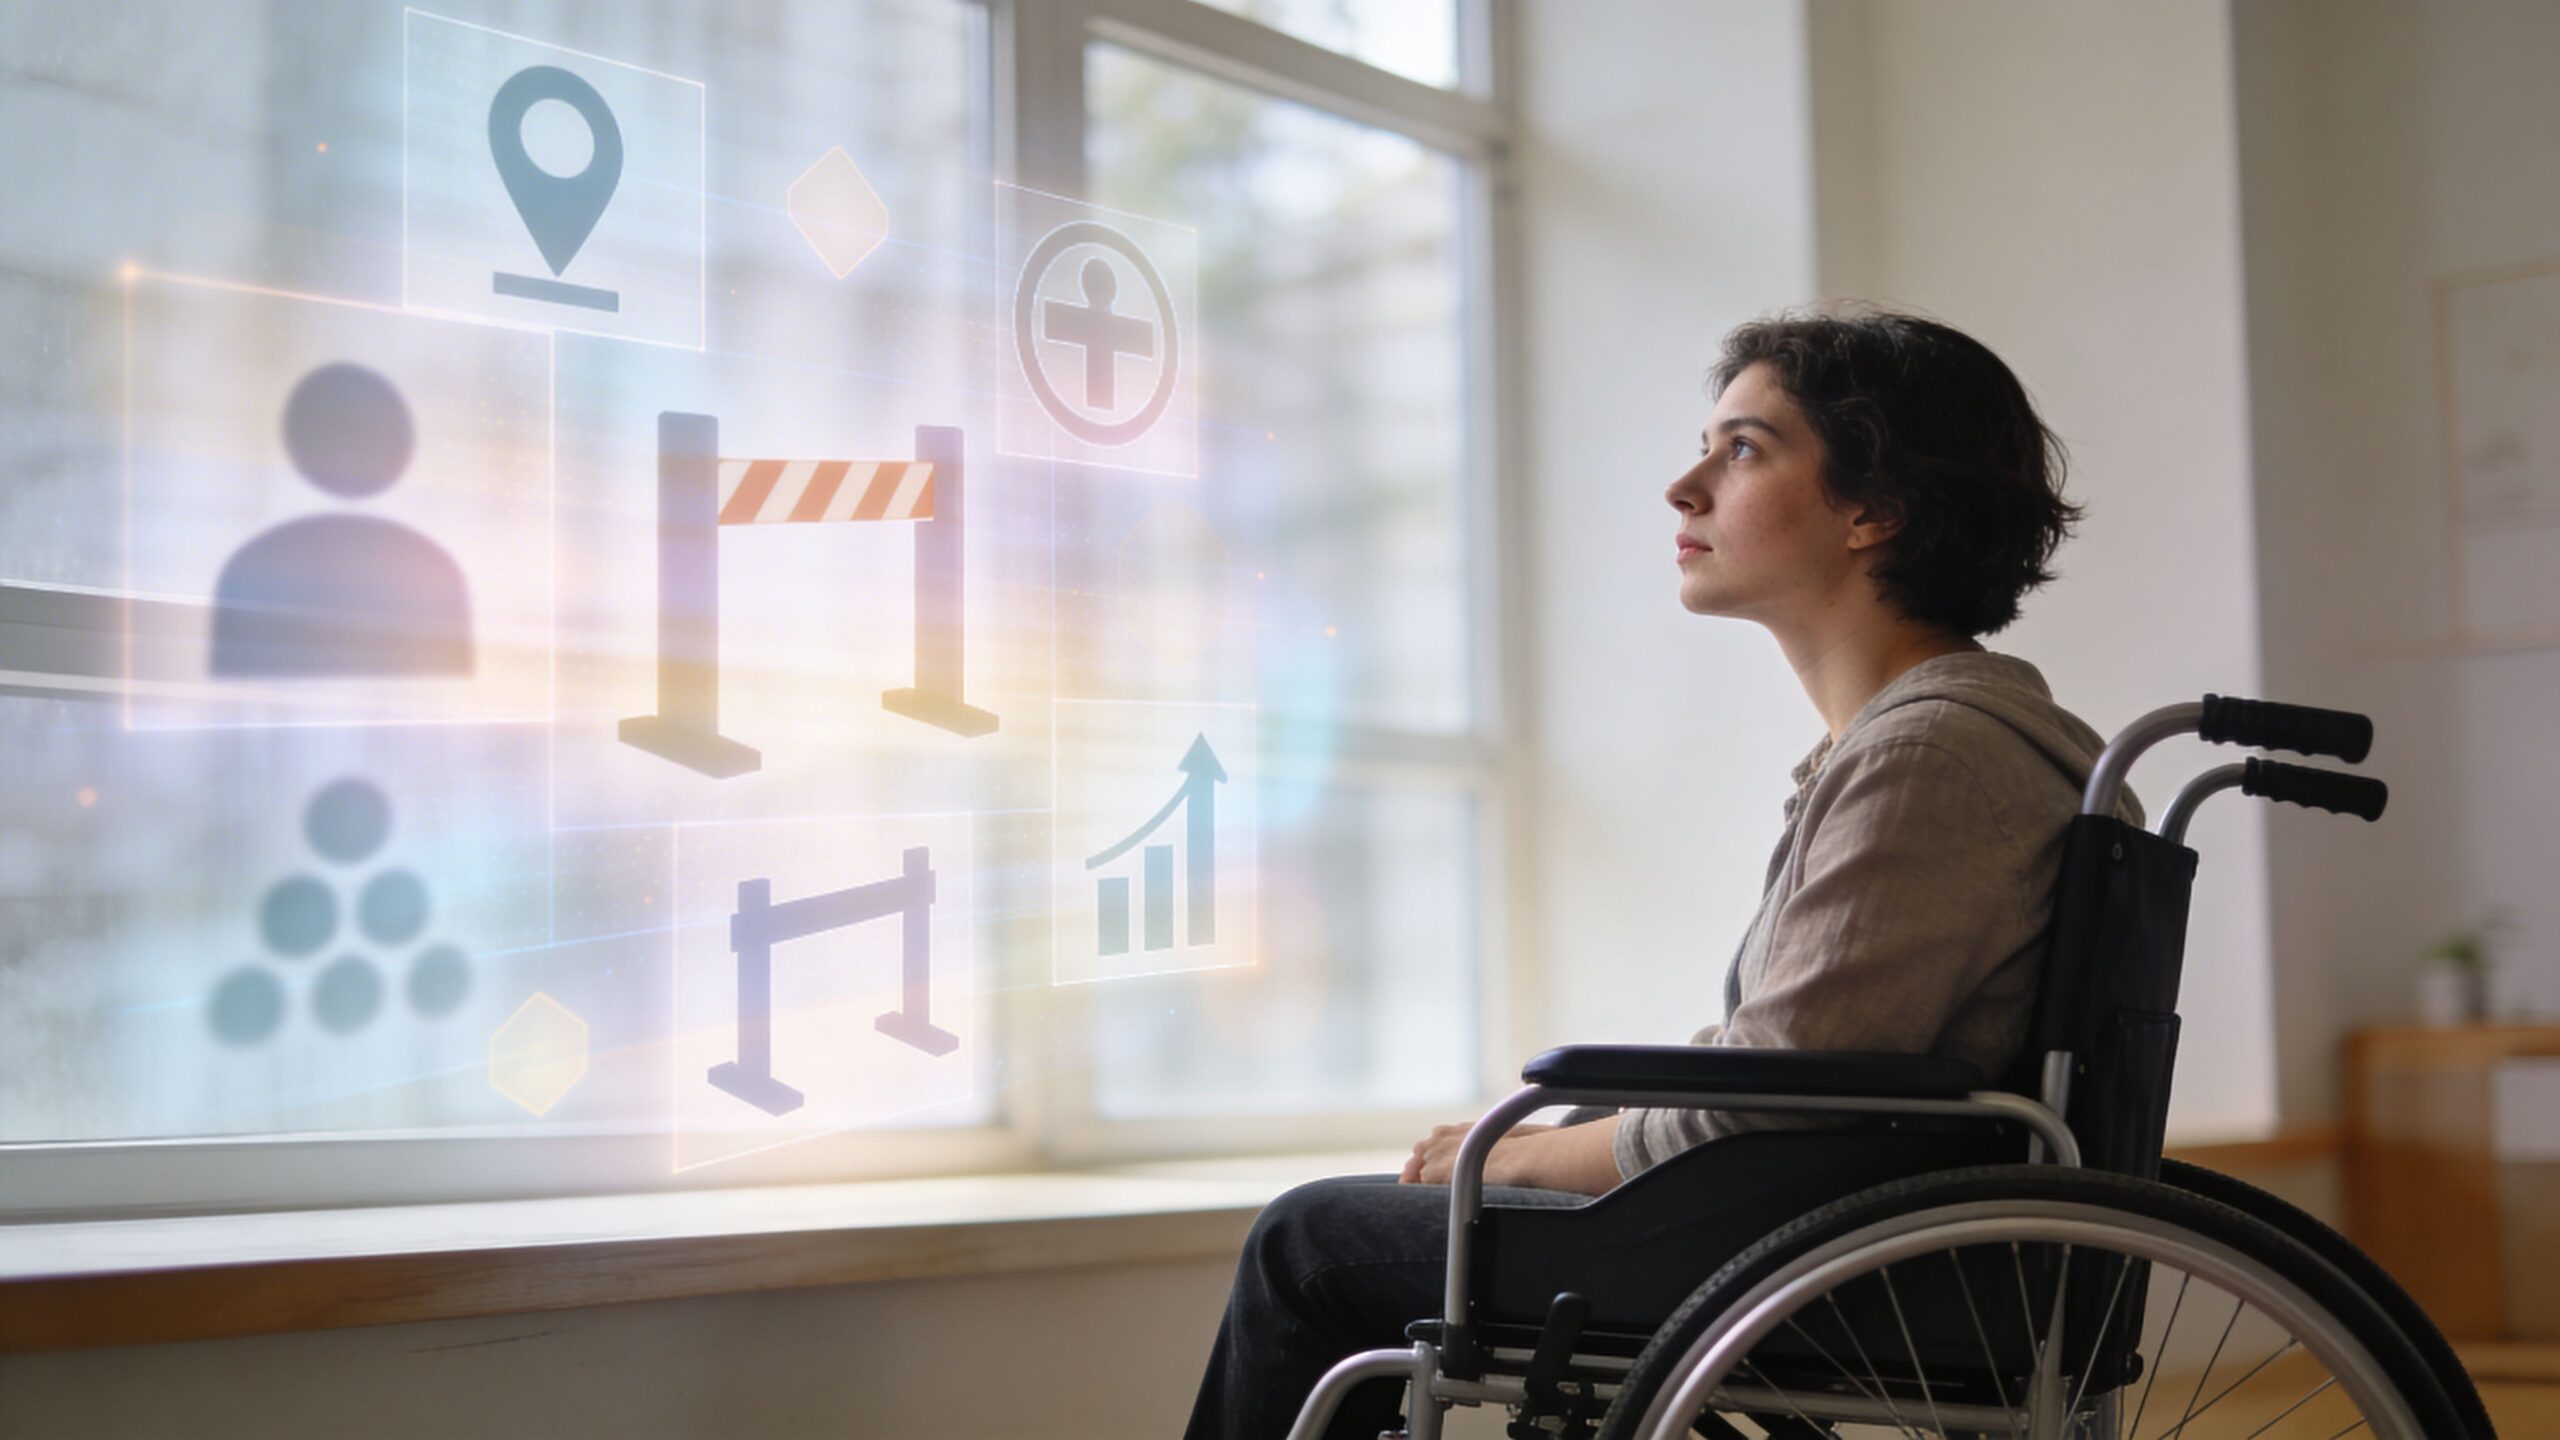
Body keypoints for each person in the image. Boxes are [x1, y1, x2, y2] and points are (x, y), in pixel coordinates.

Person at [1182, 307, 2146, 1439]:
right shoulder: (1951, 743)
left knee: (1309, 1242)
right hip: (1843, 1219)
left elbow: (1776, 1093)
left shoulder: (1927, 754)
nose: (1683, 488)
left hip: (1815, 1241)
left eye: (1742, 449)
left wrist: (1531, 1152)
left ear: (1874, 509)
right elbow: (1798, 1068)